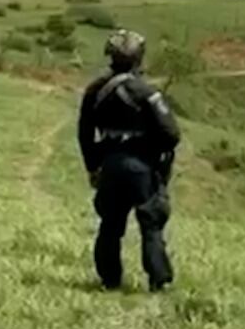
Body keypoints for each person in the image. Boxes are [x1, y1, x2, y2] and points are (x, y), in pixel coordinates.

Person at [77, 29, 181, 292]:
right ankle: (159, 281)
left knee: (110, 225)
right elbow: (171, 134)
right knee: (151, 223)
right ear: (139, 58)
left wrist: (93, 166)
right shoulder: (146, 92)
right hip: (142, 167)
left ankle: (109, 280)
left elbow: (84, 133)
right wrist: (153, 153)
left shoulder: (95, 91)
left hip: (110, 166)